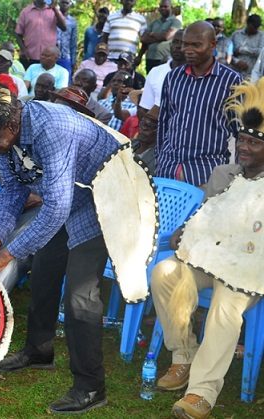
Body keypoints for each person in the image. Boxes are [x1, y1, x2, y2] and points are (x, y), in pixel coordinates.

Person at [0, 67, 120, 415]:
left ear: (11, 125)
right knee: (44, 271)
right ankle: (39, 350)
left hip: (105, 199)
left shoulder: (52, 127)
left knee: (80, 294)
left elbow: (56, 207)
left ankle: (91, 387)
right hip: (67, 197)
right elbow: (14, 189)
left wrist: (7, 254)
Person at [151, 78, 264, 419]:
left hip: (249, 270)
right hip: (211, 258)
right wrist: (185, 230)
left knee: (226, 303)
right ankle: (183, 356)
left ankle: (202, 391)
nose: (243, 148)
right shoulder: (224, 173)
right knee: (165, 272)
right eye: (241, 140)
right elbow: (208, 215)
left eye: (253, 144)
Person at [157, 21, 241, 186]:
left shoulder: (231, 80)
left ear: (212, 45)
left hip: (207, 172)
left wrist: (237, 176)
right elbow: (163, 123)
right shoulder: (172, 78)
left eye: (196, 45)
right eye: (185, 44)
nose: (188, 50)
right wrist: (160, 159)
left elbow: (239, 131)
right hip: (168, 169)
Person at [138, 30, 184, 118]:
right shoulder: (156, 72)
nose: (178, 46)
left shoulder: (196, 74)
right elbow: (145, 108)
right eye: (175, 42)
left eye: (183, 43)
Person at [15, 0, 67, 68]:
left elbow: (64, 27)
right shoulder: (25, 12)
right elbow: (18, 33)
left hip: (49, 58)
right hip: (29, 57)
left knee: (47, 78)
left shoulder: (53, 11)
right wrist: (23, 50)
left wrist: (55, 9)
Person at [134, 0, 181, 73]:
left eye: (165, 6)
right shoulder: (154, 23)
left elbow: (167, 37)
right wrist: (139, 56)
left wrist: (152, 34)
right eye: (161, 7)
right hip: (150, 58)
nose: (163, 8)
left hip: (164, 59)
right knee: (151, 80)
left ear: (171, 8)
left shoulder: (175, 22)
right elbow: (143, 39)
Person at [131, 105, 158, 174]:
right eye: (144, 120)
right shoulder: (129, 144)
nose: (144, 127)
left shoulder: (160, 160)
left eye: (152, 124)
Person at [55, 0, 77, 74]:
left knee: (66, 80)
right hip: (52, 55)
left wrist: (73, 61)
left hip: (65, 56)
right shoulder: (52, 17)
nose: (64, 5)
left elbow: (73, 42)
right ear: (59, 3)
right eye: (62, 2)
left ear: (70, 4)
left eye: (66, 3)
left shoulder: (73, 21)